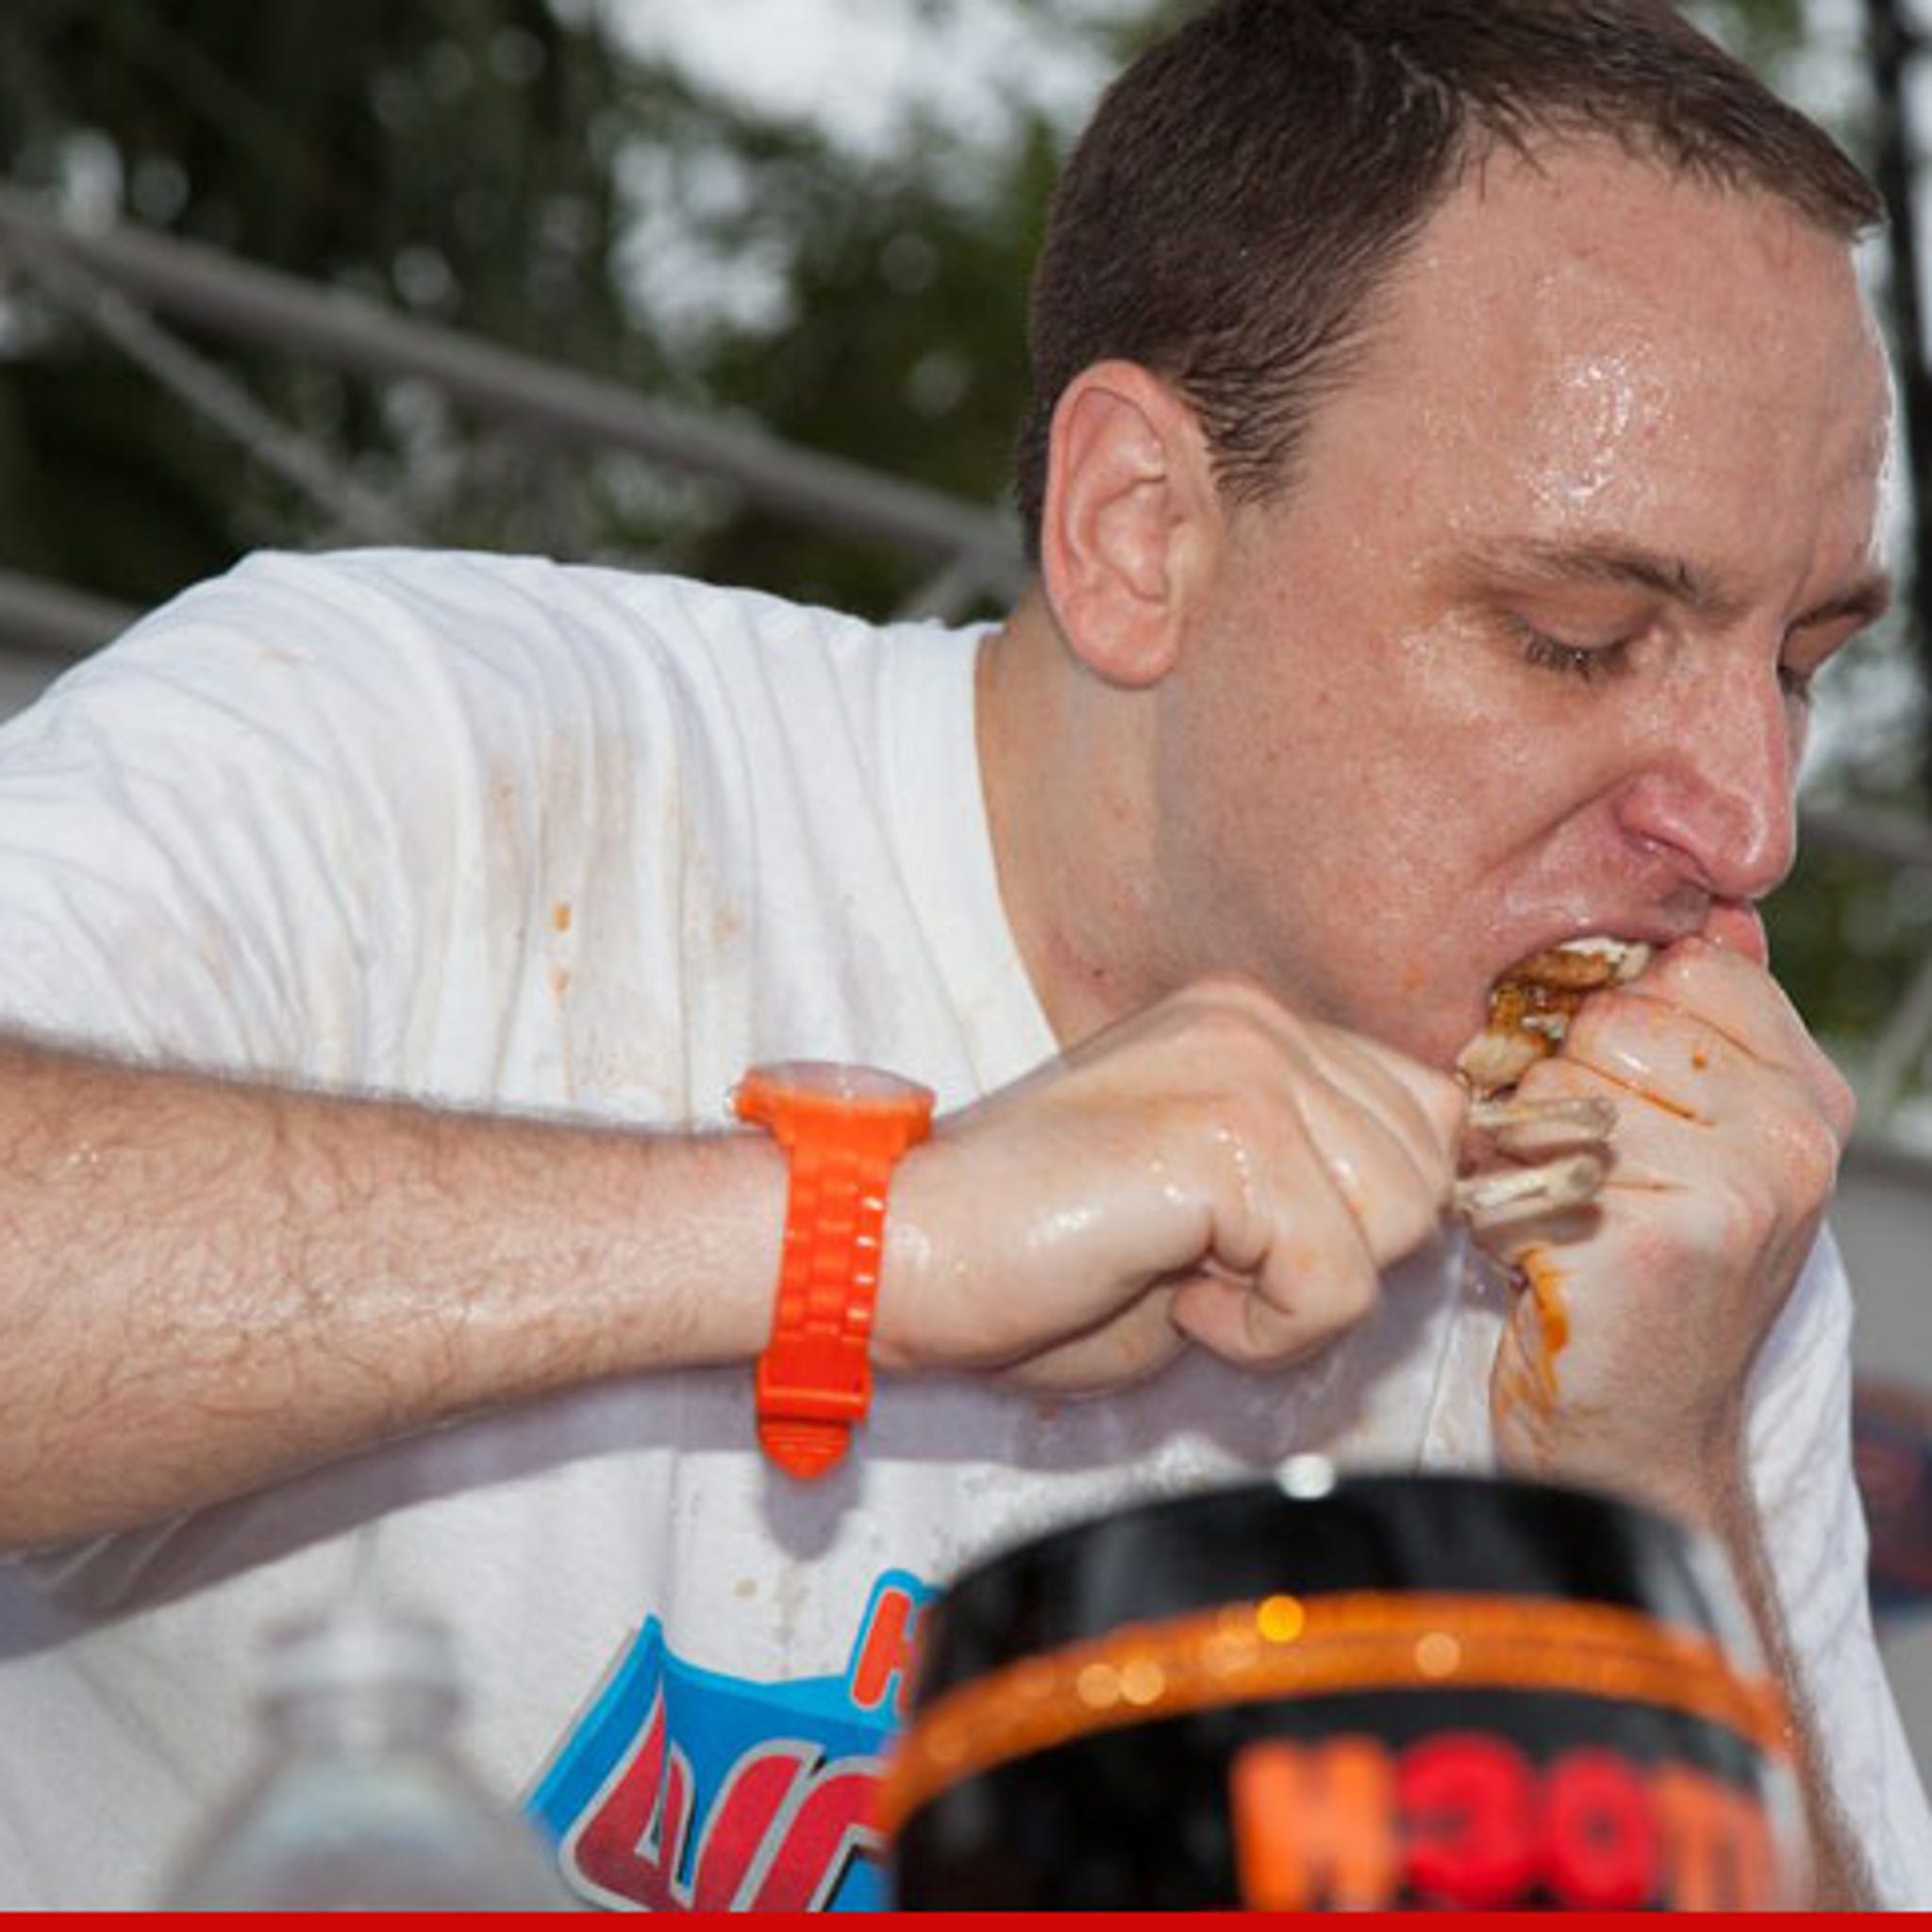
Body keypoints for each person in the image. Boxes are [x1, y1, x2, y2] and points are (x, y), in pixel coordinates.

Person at [0, 0, 1925, 1908]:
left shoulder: (1669, 1224)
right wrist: (856, 1241)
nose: (1746, 824)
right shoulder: (423, 749)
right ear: (1138, 530)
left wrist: (1637, 1510)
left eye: (1799, 667)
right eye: (1577, 633)